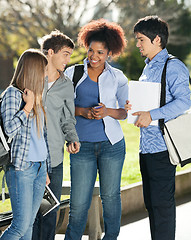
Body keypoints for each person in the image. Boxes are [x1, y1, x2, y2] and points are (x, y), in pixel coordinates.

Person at [125, 15, 191, 240]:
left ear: (157, 40)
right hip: (146, 149)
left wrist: (151, 114)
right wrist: (134, 107)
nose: (137, 44)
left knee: (162, 208)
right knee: (152, 206)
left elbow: (184, 101)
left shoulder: (173, 67)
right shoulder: (148, 68)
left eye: (141, 39)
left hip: (163, 149)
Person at [64, 18, 128, 240]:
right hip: (81, 146)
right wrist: (83, 111)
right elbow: (61, 107)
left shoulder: (117, 77)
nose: (94, 57)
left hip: (112, 146)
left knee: (111, 197)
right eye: (91, 50)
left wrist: (108, 111)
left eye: (100, 52)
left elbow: (124, 112)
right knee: (79, 203)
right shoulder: (72, 74)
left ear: (109, 53)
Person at [32, 30, 80, 240]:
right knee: (31, 213)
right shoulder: (30, 77)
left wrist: (72, 137)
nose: (68, 59)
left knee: (50, 211)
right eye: (66, 54)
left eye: (70, 55)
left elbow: (68, 118)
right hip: (31, 157)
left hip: (55, 158)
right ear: (50, 52)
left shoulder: (66, 84)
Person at [0, 49, 50, 240]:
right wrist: (27, 107)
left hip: (38, 167)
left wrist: (44, 168)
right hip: (21, 168)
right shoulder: (13, 94)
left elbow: (40, 135)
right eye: (43, 70)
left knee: (29, 225)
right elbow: (10, 129)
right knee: (19, 227)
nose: (46, 74)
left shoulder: (36, 96)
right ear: (33, 70)